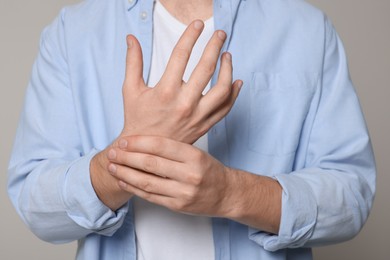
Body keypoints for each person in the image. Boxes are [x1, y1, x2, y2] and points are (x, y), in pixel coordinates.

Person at [8, 0, 376, 259]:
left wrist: (232, 193)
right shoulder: (72, 33)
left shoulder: (307, 29)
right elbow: (35, 203)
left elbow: (352, 193)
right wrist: (126, 159)